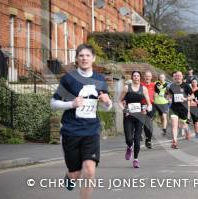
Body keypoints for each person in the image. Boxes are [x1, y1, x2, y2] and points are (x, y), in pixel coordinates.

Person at [50, 44, 112, 199]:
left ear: (93, 58)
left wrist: (106, 102)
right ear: (77, 58)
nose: (84, 58)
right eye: (81, 56)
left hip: (91, 130)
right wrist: (71, 104)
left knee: (90, 171)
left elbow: (107, 107)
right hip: (71, 130)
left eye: (87, 55)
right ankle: (70, 176)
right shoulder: (69, 79)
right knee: (75, 174)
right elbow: (53, 103)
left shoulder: (99, 79)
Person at [118, 71, 151, 168]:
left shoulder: (143, 89)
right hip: (128, 116)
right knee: (129, 139)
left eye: (138, 76)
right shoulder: (126, 88)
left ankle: (136, 159)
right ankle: (129, 147)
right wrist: (124, 110)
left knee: (137, 139)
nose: (136, 77)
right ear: (132, 77)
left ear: (140, 78)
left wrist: (147, 109)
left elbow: (149, 104)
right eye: (134, 76)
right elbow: (119, 101)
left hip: (139, 117)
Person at [168, 71, 193, 149]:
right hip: (174, 108)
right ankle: (174, 142)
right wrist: (168, 99)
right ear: (175, 77)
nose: (178, 77)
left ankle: (187, 129)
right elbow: (168, 95)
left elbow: (192, 95)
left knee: (182, 125)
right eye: (177, 76)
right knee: (174, 125)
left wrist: (186, 98)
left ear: (182, 77)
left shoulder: (186, 86)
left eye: (180, 76)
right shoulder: (171, 86)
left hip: (183, 108)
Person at [141, 71, 156, 149]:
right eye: (146, 76)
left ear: (151, 77)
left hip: (151, 105)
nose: (147, 78)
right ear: (144, 77)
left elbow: (159, 93)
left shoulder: (154, 85)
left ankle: (148, 139)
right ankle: (139, 133)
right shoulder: (140, 85)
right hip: (141, 105)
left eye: (149, 76)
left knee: (148, 122)